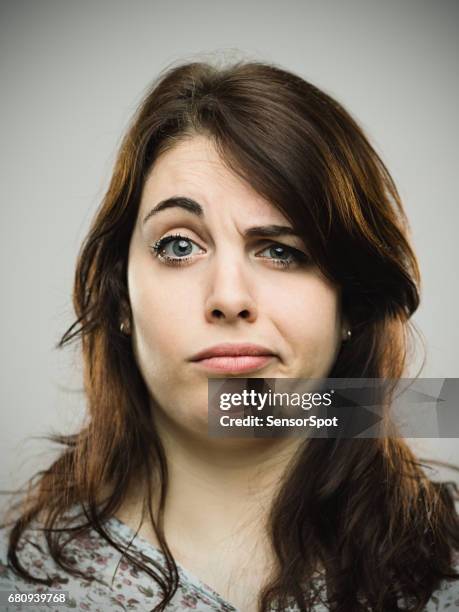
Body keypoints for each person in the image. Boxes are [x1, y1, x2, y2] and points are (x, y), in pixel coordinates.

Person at [1, 58, 458, 612]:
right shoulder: (22, 587)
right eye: (178, 245)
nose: (230, 298)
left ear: (350, 305)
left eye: (282, 251)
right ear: (121, 300)